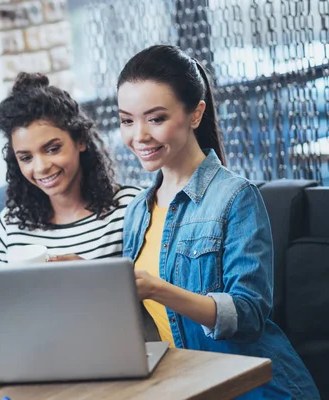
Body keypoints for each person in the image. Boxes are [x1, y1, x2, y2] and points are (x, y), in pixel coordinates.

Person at [118, 45, 319, 399]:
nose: (139, 136)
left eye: (156, 118)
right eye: (127, 120)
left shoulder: (235, 196)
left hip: (253, 389)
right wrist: (89, 279)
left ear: (195, 114)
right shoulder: (137, 210)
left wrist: (157, 289)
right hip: (185, 386)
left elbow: (248, 314)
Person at [0, 72, 141, 264]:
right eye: (26, 157)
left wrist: (89, 275)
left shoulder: (130, 209)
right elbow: (2, 293)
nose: (41, 167)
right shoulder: (9, 225)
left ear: (80, 141)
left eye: (53, 149)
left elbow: (151, 289)